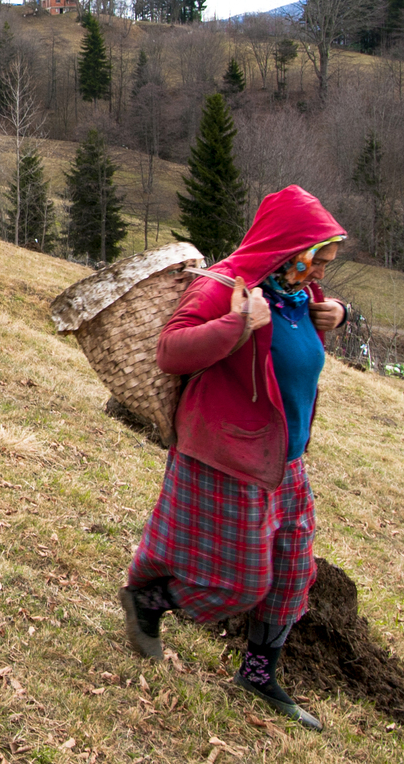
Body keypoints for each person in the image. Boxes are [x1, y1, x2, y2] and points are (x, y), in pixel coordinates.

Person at [118, 185, 349, 733]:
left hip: (284, 459)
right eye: (314, 253)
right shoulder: (226, 284)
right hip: (226, 453)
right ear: (287, 246)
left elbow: (296, 347)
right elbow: (171, 351)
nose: (317, 267)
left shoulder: (299, 295)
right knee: (242, 583)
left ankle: (258, 674)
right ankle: (148, 599)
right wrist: (237, 325)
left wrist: (338, 315)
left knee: (294, 574)